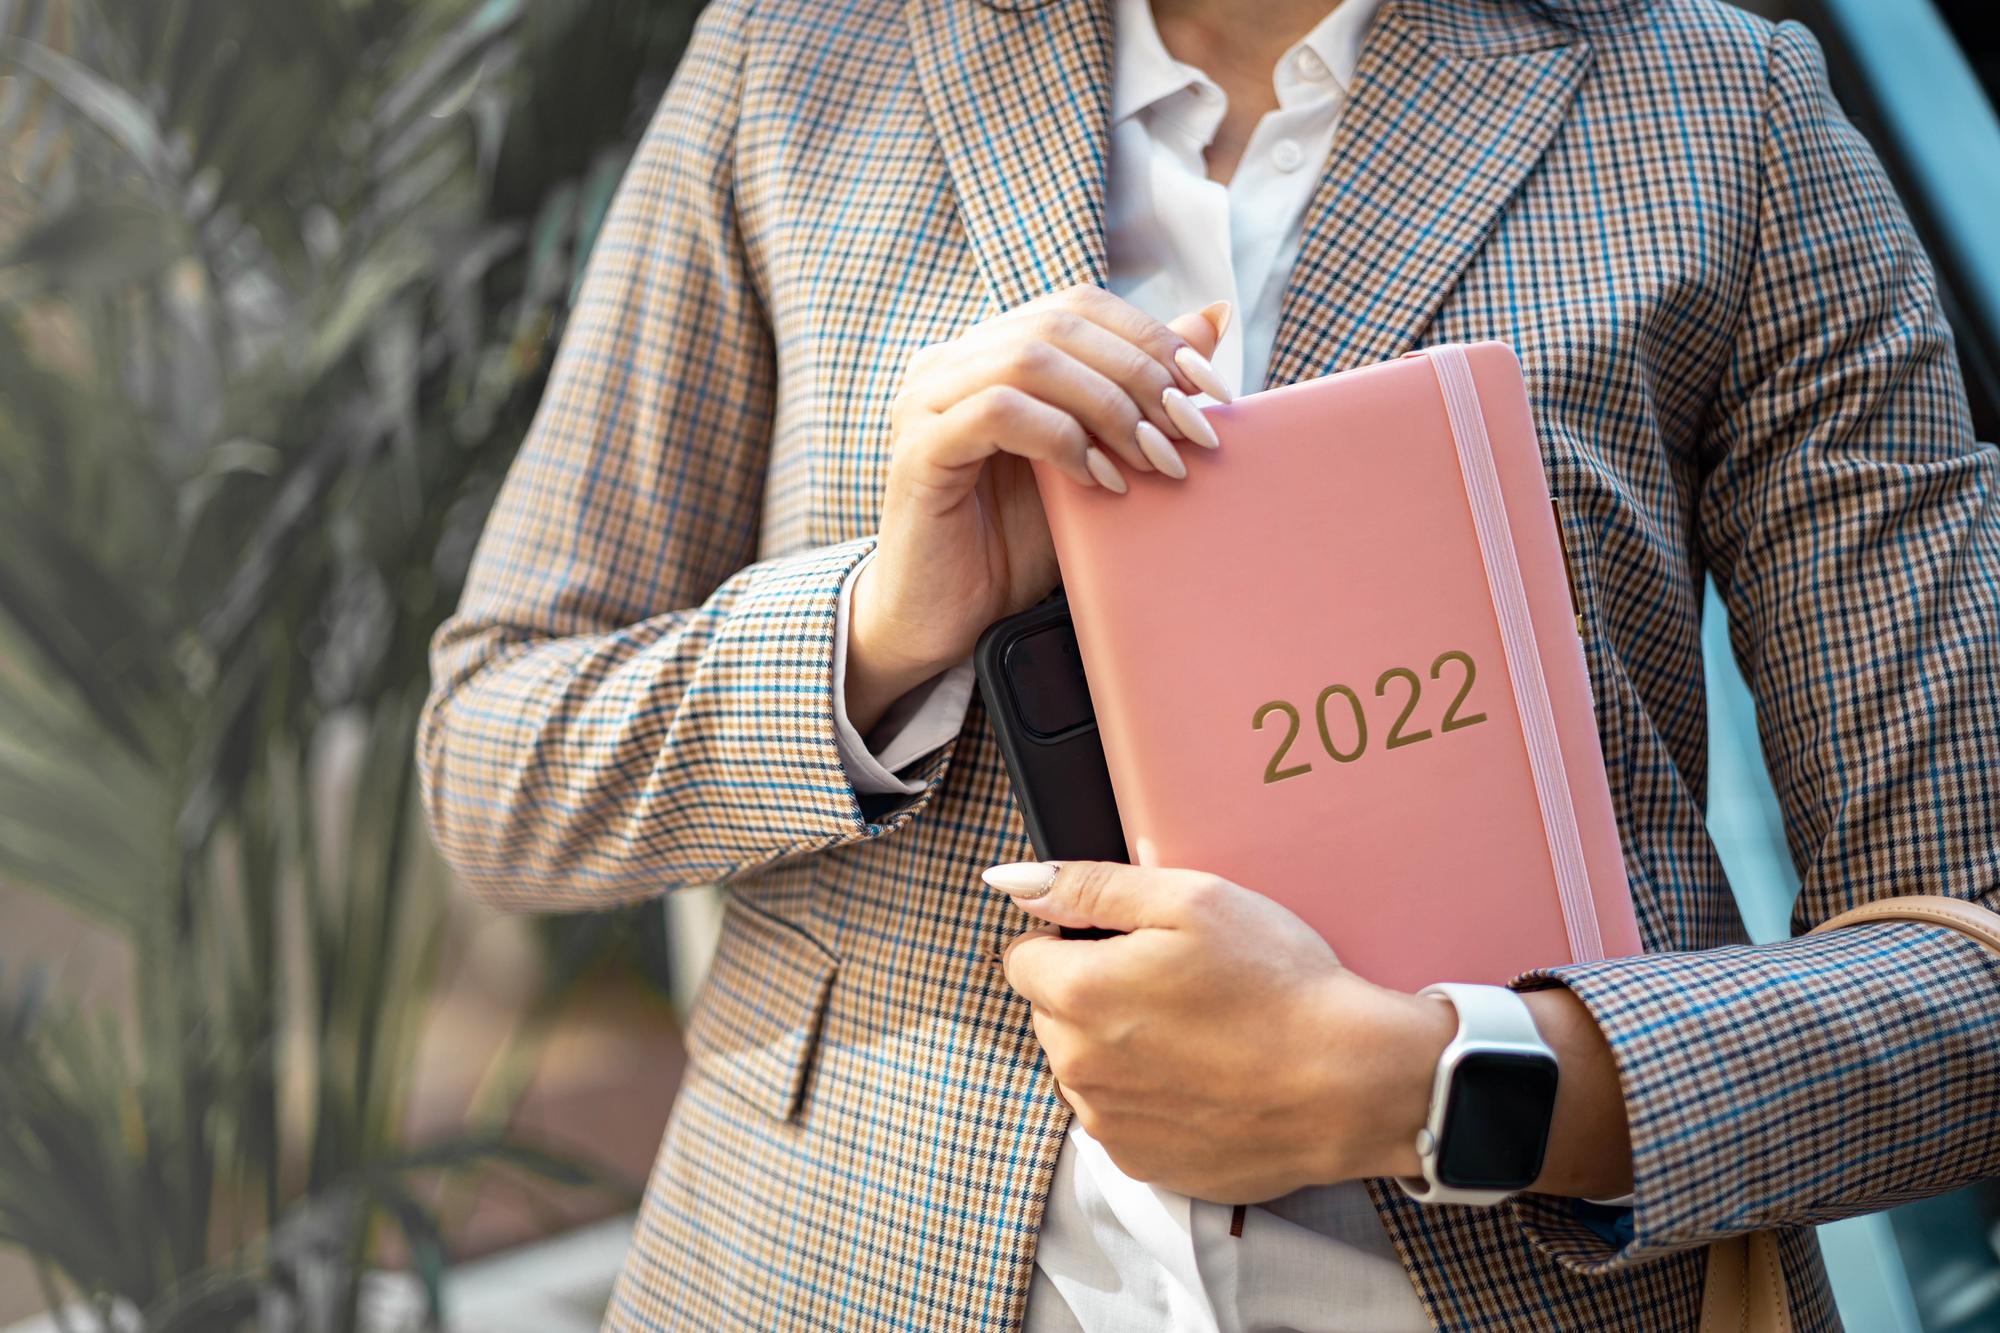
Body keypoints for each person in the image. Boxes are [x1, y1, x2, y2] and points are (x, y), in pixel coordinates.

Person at [415, 0, 2000, 1326]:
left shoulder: (1727, 119)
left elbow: (1970, 966)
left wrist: (1449, 1080)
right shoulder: (808, 55)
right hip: (828, 1265)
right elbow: (490, 750)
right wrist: (880, 626)